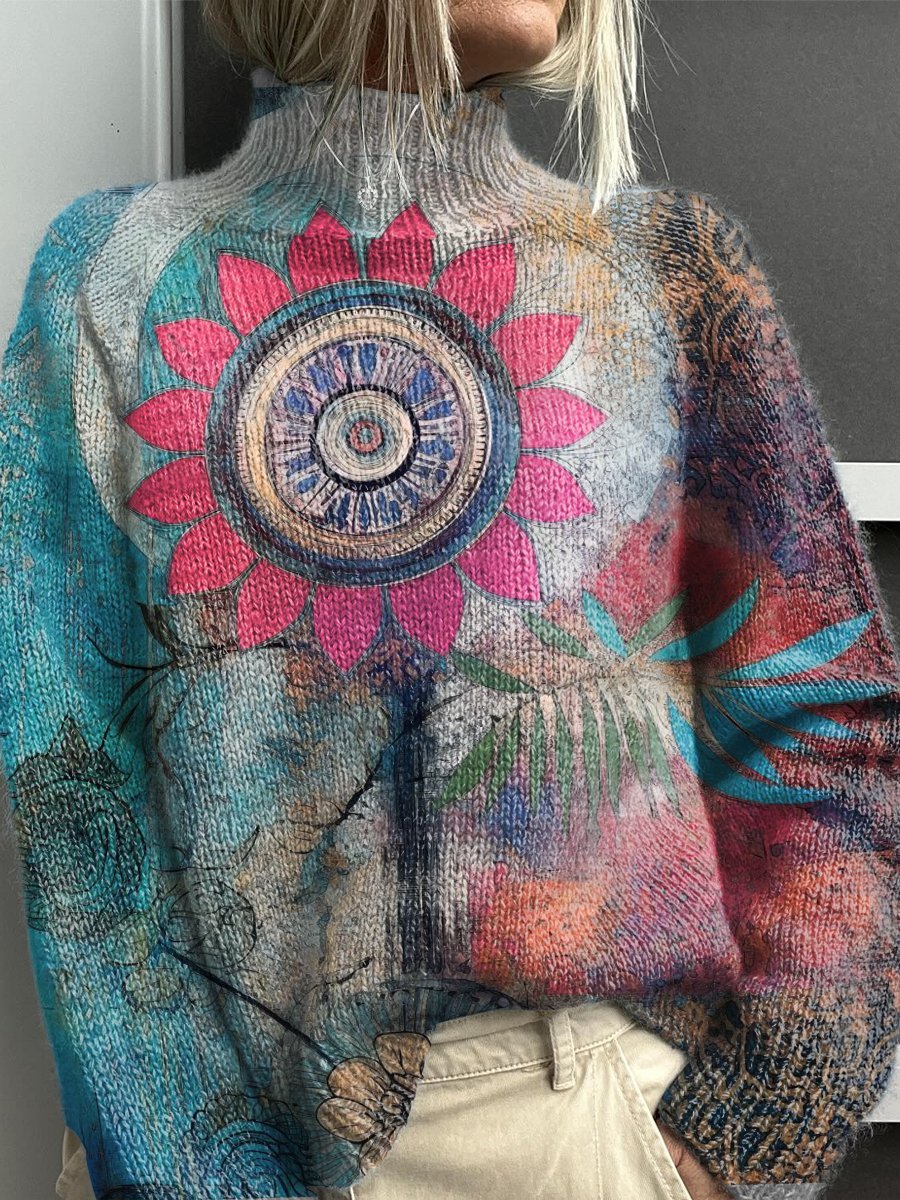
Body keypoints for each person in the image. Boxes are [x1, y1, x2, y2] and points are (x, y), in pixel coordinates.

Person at [1, 2, 898, 1199]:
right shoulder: (113, 277)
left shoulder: (665, 271)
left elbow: (823, 717)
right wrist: (191, 1176)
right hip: (210, 1146)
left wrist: (742, 1136)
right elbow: (75, 796)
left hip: (583, 1133)